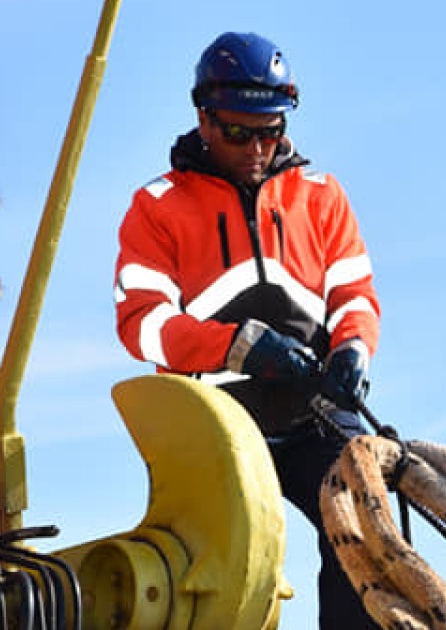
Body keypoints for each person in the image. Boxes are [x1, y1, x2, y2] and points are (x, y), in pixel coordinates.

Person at [112, 31, 381, 629]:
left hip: (313, 411)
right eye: (239, 132)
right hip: (218, 421)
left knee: (367, 523)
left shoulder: (321, 197)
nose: (257, 147)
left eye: (271, 131)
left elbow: (354, 297)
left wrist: (353, 350)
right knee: (238, 568)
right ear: (204, 119)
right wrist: (238, 347)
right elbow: (142, 325)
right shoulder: (156, 206)